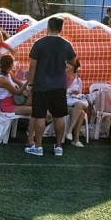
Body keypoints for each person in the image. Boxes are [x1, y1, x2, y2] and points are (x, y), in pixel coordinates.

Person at [25, 16, 77, 157]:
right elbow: (74, 62)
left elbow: (32, 67)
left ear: (48, 27)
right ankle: (59, 146)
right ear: (61, 28)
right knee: (59, 116)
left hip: (41, 85)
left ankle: (38, 146)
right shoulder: (66, 44)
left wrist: (30, 84)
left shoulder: (39, 43)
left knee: (39, 116)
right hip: (59, 86)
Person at [65, 61, 89, 148]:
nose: (66, 65)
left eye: (69, 64)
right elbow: (57, 93)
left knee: (81, 110)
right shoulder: (61, 77)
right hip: (62, 104)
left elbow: (80, 94)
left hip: (73, 104)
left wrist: (76, 94)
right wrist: (70, 91)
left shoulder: (78, 80)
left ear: (74, 67)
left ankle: (71, 133)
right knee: (80, 110)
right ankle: (74, 138)